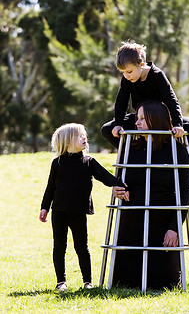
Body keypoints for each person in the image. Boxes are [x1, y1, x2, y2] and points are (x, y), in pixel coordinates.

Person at [111, 101, 189, 290]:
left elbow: (184, 191)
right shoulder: (132, 148)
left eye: (142, 118)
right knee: (124, 282)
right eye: (136, 118)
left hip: (161, 221)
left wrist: (174, 228)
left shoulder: (176, 150)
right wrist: (117, 189)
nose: (136, 123)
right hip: (131, 221)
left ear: (155, 119)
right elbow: (120, 180)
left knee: (165, 282)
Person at [39, 123, 125, 292]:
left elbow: (104, 176)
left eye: (84, 135)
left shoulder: (88, 162)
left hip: (78, 211)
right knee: (59, 246)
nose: (84, 137)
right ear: (67, 141)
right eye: (79, 136)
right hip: (59, 211)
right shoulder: (57, 163)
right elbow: (50, 188)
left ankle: (87, 281)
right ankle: (61, 281)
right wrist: (44, 208)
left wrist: (120, 184)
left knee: (82, 247)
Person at [101, 40, 189, 151]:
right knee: (107, 129)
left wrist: (177, 124)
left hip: (161, 121)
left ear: (141, 65)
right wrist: (118, 124)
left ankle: (175, 152)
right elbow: (121, 101)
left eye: (129, 71)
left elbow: (171, 100)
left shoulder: (157, 75)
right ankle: (135, 153)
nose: (126, 75)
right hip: (140, 121)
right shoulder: (127, 79)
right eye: (123, 72)